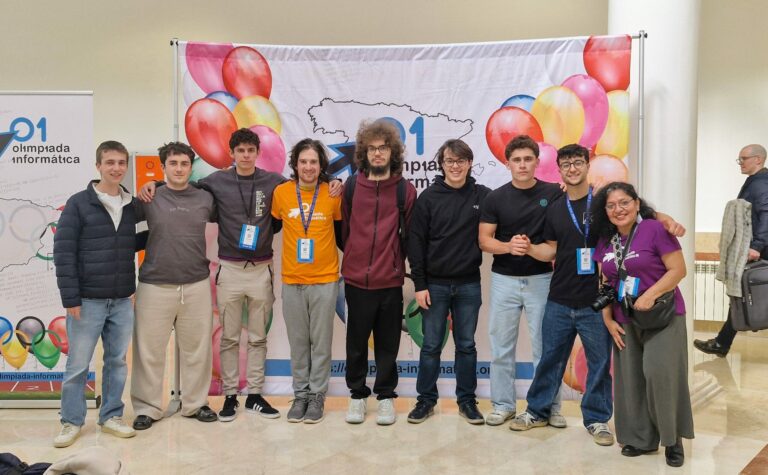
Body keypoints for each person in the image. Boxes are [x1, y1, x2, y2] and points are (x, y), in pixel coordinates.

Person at [507, 144, 685, 444]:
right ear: (559, 170)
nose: (572, 168)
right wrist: (529, 249)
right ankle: (537, 411)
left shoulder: (604, 203)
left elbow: (639, 212)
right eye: (566, 164)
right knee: (550, 359)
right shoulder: (554, 207)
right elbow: (551, 249)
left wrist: (665, 218)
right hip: (559, 297)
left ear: (587, 165)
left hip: (598, 301)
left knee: (600, 363)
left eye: (578, 162)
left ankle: (597, 419)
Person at [591, 181, 693, 468]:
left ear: (637, 204)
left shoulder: (655, 229)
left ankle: (672, 439)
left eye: (624, 202)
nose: (618, 209)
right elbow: (605, 282)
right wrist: (607, 319)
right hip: (625, 318)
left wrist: (650, 294)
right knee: (630, 380)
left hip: (662, 315)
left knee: (661, 374)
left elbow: (678, 270)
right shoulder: (606, 239)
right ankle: (639, 438)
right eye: (611, 205)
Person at [53, 141, 138, 447]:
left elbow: (139, 241)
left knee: (117, 362)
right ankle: (71, 421)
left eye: (121, 163)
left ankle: (111, 416)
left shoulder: (132, 205)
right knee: (78, 365)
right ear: (98, 165)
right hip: (87, 301)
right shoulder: (78, 203)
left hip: (122, 299)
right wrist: (71, 298)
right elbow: (63, 252)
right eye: (110, 162)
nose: (116, 168)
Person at [478, 135, 565, 427]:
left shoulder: (554, 193)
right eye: (517, 160)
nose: (523, 164)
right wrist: (508, 246)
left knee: (546, 349)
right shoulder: (495, 198)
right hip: (504, 280)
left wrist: (530, 249)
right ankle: (503, 405)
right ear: (508, 164)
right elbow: (484, 240)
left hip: (542, 280)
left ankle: (549, 408)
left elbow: (554, 246)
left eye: (528, 159)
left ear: (537, 162)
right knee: (501, 347)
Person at [130, 142, 218, 430]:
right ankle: (147, 408)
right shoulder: (149, 197)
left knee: (197, 349)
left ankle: (195, 404)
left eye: (184, 164)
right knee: (149, 350)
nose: (179, 169)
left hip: (196, 283)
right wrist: (152, 185)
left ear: (191, 167)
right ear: (163, 167)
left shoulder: (205, 198)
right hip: (155, 284)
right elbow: (120, 221)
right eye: (173, 163)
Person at [406, 139, 490, 425]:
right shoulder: (428, 198)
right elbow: (415, 243)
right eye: (449, 161)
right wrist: (420, 285)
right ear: (441, 164)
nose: (455, 166)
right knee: (431, 346)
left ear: (469, 163)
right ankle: (425, 401)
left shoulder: (483, 196)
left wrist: (554, 193)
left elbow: (512, 202)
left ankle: (467, 402)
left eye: (460, 160)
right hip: (434, 286)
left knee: (466, 345)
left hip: (469, 285)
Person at [342, 120, 416, 425]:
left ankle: (385, 396)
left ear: (392, 152)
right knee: (356, 343)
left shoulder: (404, 190)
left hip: (389, 282)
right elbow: (345, 232)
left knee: (388, 344)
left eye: (383, 147)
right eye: (371, 148)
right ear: (364, 152)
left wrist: (394, 264)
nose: (377, 153)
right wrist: (356, 260)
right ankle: (357, 395)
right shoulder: (350, 187)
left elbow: (409, 237)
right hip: (356, 281)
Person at [271, 139, 342, 424]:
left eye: (314, 162)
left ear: (321, 165)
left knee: (321, 344)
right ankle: (300, 395)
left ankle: (317, 396)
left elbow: (343, 232)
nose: (308, 167)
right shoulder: (281, 193)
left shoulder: (333, 193)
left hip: (325, 281)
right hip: (292, 281)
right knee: (298, 343)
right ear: (295, 164)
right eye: (303, 162)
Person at [695, 144, 768, 356]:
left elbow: (766, 214)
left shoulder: (761, 183)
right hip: (757, 248)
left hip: (759, 250)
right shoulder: (755, 181)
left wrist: (757, 246)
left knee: (741, 295)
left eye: (743, 159)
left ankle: (722, 343)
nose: (740, 163)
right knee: (739, 294)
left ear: (758, 159)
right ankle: (722, 343)